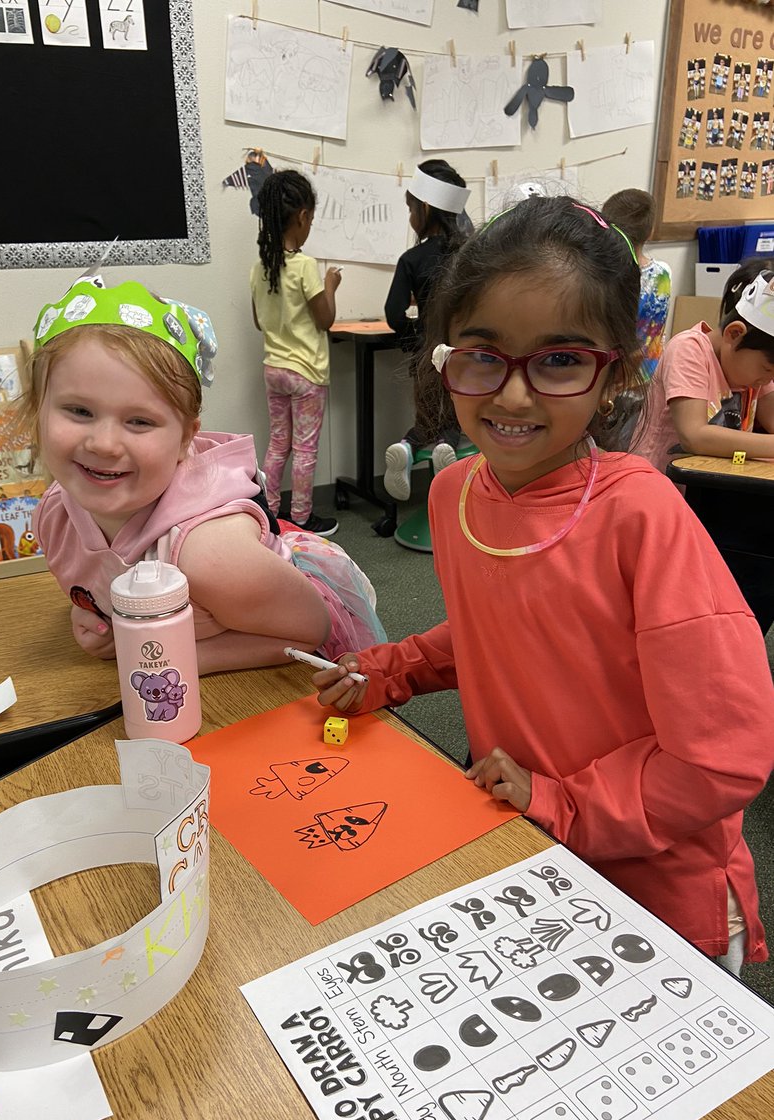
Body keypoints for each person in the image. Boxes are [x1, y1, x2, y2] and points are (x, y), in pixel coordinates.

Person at [312, 196, 774, 974]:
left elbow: (722, 758)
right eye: (483, 354)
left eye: (559, 360)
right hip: (528, 854)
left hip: (659, 899)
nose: (513, 395)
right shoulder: (454, 493)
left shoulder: (642, 516)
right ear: (444, 356)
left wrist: (563, 802)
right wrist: (387, 671)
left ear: (614, 373)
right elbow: (502, 632)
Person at [24, 274, 385, 674]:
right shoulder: (55, 514)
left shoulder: (210, 555)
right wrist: (99, 618)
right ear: (38, 408)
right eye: (79, 411)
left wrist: (156, 655)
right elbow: (96, 583)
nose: (104, 444)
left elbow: (309, 631)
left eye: (140, 421)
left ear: (185, 440)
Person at [250, 169, 341, 537]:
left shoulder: (259, 268)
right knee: (304, 450)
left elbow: (259, 321)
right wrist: (331, 285)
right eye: (311, 220)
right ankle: (302, 518)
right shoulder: (305, 266)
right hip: (305, 374)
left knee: (277, 445)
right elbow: (326, 320)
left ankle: (269, 513)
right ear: (302, 217)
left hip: (274, 368)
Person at [382, 161, 471, 501]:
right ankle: (445, 449)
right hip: (464, 356)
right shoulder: (470, 254)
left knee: (427, 418)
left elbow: (393, 313)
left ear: (427, 206)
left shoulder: (412, 258)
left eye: (410, 208)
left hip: (426, 355)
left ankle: (407, 446)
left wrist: (414, 341)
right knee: (455, 418)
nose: (410, 216)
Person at [637, 257, 774, 473]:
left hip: (714, 488)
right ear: (735, 334)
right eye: (768, 369)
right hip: (662, 486)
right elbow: (694, 435)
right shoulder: (689, 350)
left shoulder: (752, 368)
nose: (769, 379)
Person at [600, 188, 672, 382]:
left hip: (615, 379)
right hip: (651, 375)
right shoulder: (663, 273)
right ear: (650, 232)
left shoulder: (603, 277)